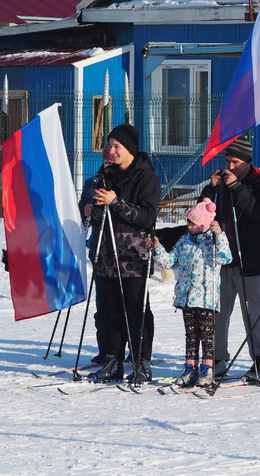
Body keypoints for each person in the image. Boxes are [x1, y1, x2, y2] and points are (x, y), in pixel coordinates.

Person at [88, 124, 160, 383]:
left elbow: (146, 217)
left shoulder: (145, 177)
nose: (111, 150)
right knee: (111, 311)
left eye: (117, 145)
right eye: (109, 144)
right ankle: (113, 359)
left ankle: (142, 360)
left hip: (133, 257)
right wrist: (94, 208)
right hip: (107, 254)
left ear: (129, 149)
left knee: (137, 310)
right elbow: (101, 216)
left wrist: (114, 201)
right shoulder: (108, 175)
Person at [199, 137, 260, 382]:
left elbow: (258, 213)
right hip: (223, 257)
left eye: (235, 162)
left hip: (250, 259)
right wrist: (210, 189)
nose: (230, 166)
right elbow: (201, 214)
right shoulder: (222, 182)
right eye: (227, 161)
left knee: (254, 311)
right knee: (217, 311)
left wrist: (236, 188)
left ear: (247, 161)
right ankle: (217, 358)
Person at [152, 199, 232, 388]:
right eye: (188, 222)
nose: (188, 226)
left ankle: (208, 370)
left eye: (192, 223)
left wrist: (219, 234)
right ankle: (190, 369)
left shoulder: (212, 241)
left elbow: (225, 257)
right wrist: (157, 247)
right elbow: (169, 262)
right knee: (191, 336)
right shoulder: (184, 241)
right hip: (186, 299)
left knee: (207, 336)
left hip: (206, 299)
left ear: (203, 224)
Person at [78, 143, 113, 363]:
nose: (109, 163)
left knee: (123, 304)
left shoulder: (126, 183)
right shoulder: (92, 183)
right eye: (106, 159)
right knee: (102, 304)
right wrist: (85, 210)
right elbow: (81, 213)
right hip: (98, 249)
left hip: (122, 250)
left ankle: (125, 349)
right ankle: (105, 349)